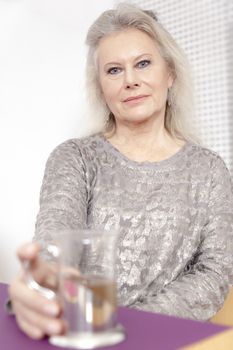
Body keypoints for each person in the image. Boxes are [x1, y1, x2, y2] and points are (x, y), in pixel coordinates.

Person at [9, 2, 233, 340]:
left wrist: (126, 325)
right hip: (82, 334)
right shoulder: (75, 158)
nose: (130, 80)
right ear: (101, 87)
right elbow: (55, 244)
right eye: (114, 70)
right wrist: (42, 282)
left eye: (143, 63)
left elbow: (214, 274)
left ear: (169, 73)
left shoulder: (210, 170)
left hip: (165, 339)